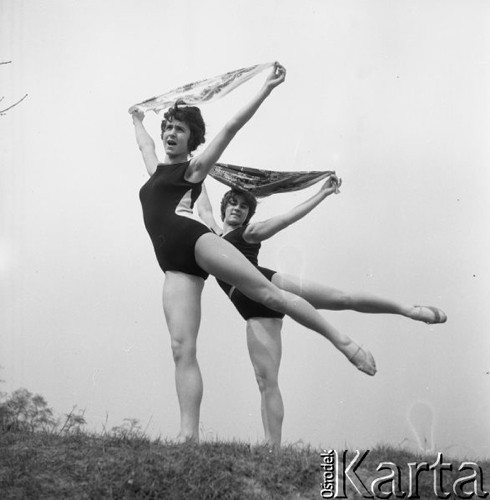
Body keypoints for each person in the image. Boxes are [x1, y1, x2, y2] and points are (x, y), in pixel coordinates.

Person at [131, 63, 375, 443]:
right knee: (181, 348)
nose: (169, 134)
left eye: (178, 129)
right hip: (174, 269)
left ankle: (342, 341)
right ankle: (187, 436)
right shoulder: (154, 170)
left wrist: (266, 89)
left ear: (192, 138)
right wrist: (137, 119)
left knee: (268, 293)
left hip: (195, 241)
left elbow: (229, 128)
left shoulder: (193, 169)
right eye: (167, 128)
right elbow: (145, 144)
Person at [196, 181, 447, 446]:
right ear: (224, 208)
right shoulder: (212, 236)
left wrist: (322, 193)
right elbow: (202, 206)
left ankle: (410, 310)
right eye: (233, 203)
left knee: (341, 298)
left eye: (244, 206)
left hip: (269, 283)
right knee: (266, 380)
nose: (237, 208)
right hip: (250, 309)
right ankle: (273, 448)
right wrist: (197, 163)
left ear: (248, 215)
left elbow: (287, 218)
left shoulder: (249, 232)